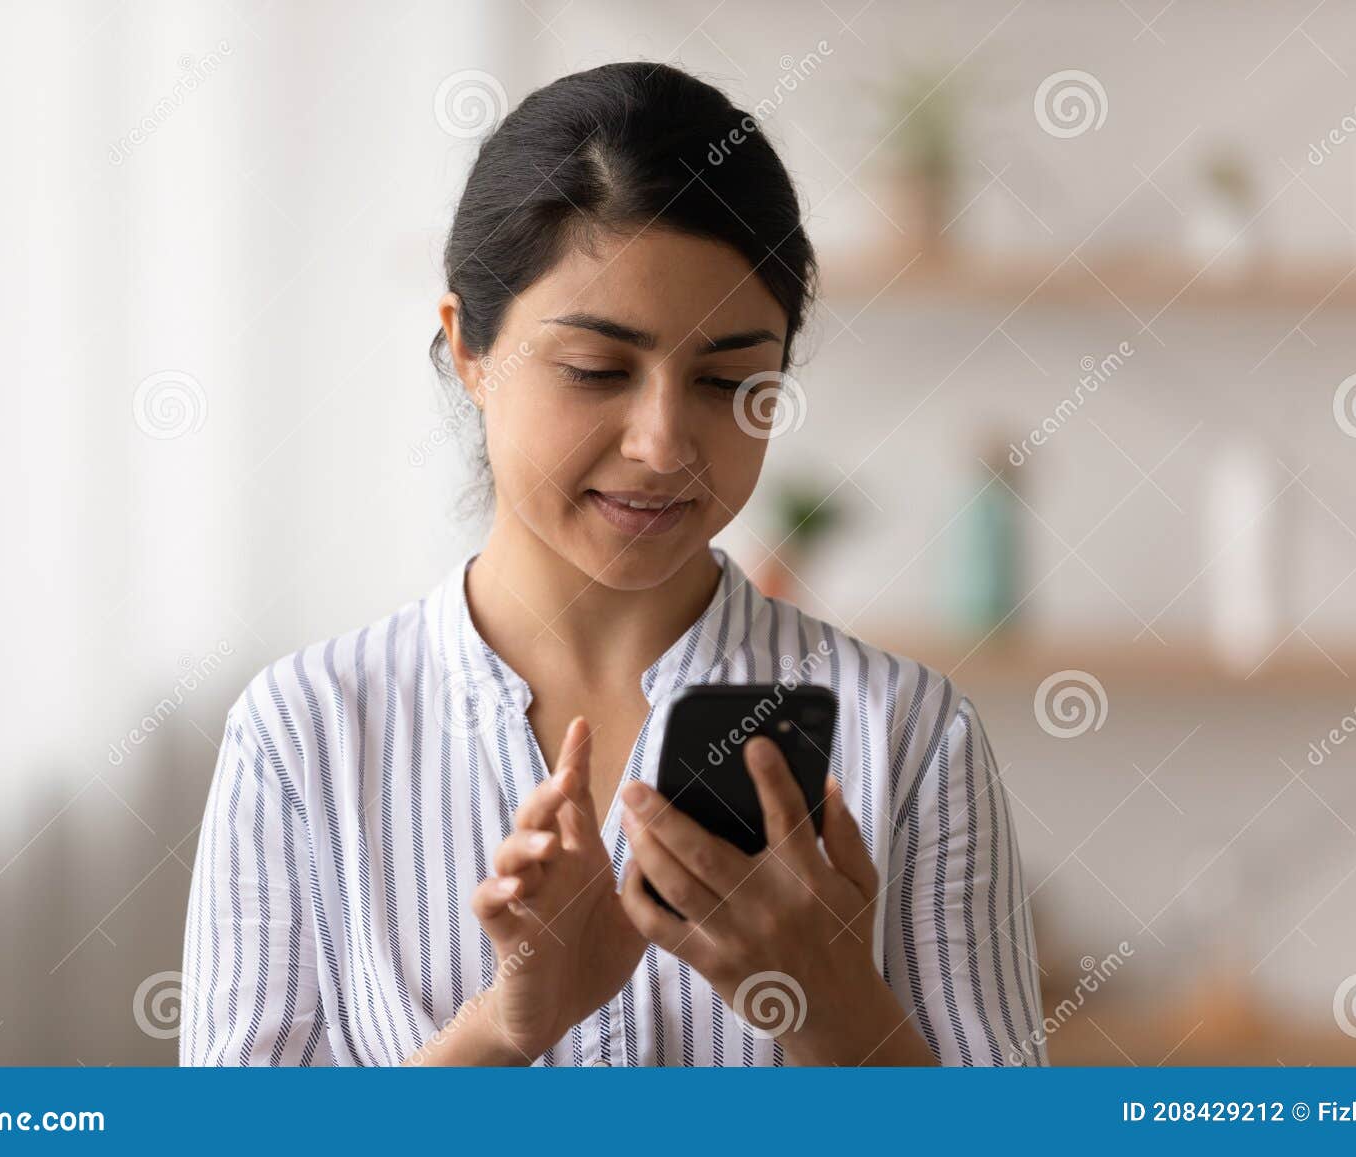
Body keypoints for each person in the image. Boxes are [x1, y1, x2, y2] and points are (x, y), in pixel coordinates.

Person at [179, 61, 1045, 1067]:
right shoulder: (303, 735)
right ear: (468, 349)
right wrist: (503, 1025)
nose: (665, 442)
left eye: (728, 380)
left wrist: (837, 1009)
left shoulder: (907, 735)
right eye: (598, 370)